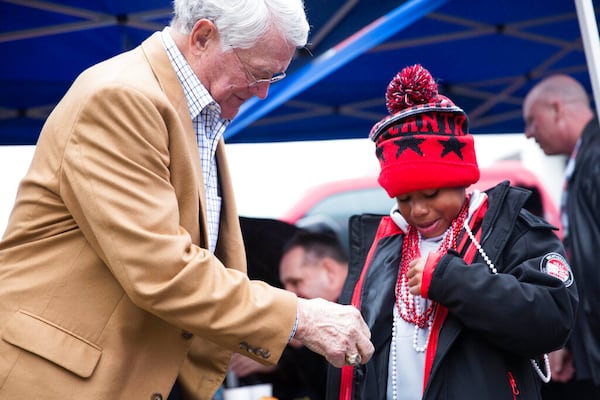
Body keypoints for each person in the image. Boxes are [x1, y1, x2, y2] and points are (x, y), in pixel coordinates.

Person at [0, 1, 374, 399]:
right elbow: (162, 268)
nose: (263, 92)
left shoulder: (189, 110)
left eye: (275, 76)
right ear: (203, 37)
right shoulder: (122, 98)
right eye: (257, 72)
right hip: (63, 381)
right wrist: (301, 317)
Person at [326, 64, 578, 400]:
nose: (418, 210)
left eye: (431, 194)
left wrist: (451, 279)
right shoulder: (384, 245)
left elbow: (553, 319)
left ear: (462, 178)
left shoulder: (511, 231)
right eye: (404, 198)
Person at [523, 74, 600, 399]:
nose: (528, 133)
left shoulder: (595, 160)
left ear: (557, 109)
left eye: (531, 120)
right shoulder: (585, 160)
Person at [229, 229, 349, 400]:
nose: (289, 294)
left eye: (295, 282)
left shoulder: (368, 308)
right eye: (285, 286)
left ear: (329, 273)